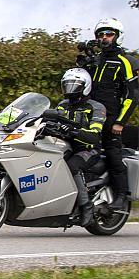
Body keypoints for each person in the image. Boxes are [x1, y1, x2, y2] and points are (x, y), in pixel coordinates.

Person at [77, 18, 139, 213]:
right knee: (81, 153)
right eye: (101, 35)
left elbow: (133, 95)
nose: (104, 38)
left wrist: (120, 122)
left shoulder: (125, 61)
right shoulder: (96, 60)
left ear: (118, 37)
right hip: (90, 116)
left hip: (112, 118)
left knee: (113, 155)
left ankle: (121, 196)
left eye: (109, 34)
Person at [44, 68, 106, 227]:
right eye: (67, 85)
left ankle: (86, 206)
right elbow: (52, 120)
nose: (70, 89)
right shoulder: (63, 104)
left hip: (88, 148)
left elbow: (94, 134)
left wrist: (74, 130)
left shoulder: (96, 107)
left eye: (75, 85)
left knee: (72, 166)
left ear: (85, 87)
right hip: (65, 145)